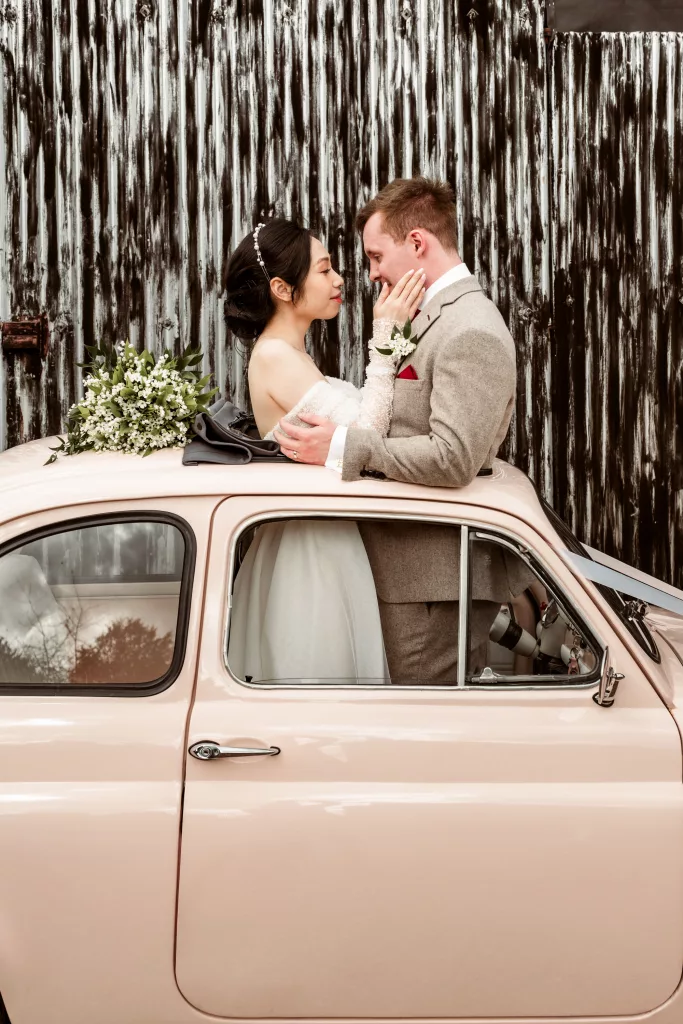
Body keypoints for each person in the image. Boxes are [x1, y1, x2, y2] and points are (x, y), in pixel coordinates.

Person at [272, 178, 531, 684]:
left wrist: (342, 444)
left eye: (375, 256)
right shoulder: (433, 316)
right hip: (409, 572)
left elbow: (453, 457)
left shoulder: (470, 329)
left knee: (425, 726)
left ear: (417, 243)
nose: (370, 274)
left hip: (433, 580)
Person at [224, 218, 425, 684]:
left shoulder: (291, 356)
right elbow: (367, 433)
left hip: (326, 541)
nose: (339, 280)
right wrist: (386, 341)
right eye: (323, 269)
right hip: (310, 557)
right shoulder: (275, 356)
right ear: (281, 287)